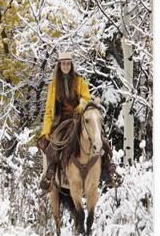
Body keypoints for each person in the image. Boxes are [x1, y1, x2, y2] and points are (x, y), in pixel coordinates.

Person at [37, 51, 120, 191]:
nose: (66, 66)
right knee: (51, 147)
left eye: (68, 63)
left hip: (78, 119)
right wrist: (46, 131)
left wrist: (80, 106)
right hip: (61, 122)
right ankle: (50, 175)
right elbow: (49, 111)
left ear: (71, 65)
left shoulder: (79, 81)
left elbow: (86, 99)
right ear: (59, 65)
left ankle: (108, 172)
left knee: (100, 140)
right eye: (63, 64)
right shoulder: (53, 85)